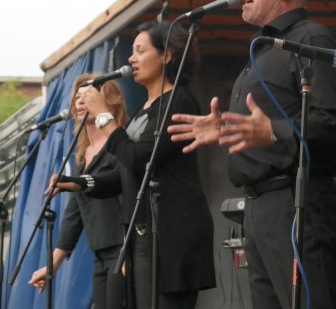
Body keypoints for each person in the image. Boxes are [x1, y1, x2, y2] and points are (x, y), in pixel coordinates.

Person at [169, 0, 336, 309]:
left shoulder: (312, 39)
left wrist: (274, 131)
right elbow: (262, 123)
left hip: (296, 203)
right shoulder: (265, 49)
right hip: (257, 208)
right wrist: (225, 128)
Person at [83, 21, 216, 308]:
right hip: (140, 232)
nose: (131, 59)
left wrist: (104, 117)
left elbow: (138, 158)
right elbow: (126, 174)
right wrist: (83, 183)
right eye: (131, 52)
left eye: (140, 50)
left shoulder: (178, 101)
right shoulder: (144, 111)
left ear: (166, 56)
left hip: (171, 232)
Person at [28, 73, 130, 308]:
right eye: (78, 96)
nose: (81, 101)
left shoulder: (122, 143)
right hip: (101, 251)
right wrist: (54, 262)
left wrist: (129, 249)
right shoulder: (82, 153)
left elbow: (131, 196)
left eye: (89, 94)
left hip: (123, 249)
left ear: (110, 101)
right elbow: (76, 209)